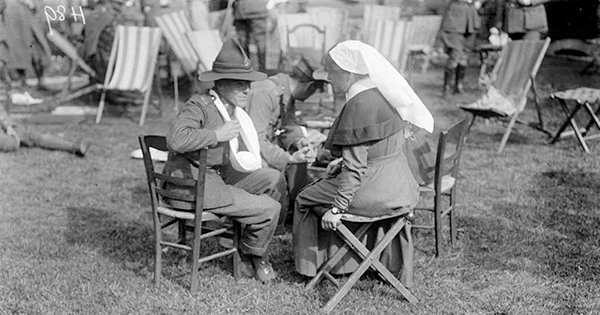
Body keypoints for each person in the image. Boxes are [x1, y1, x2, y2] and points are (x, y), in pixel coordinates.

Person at [293, 40, 434, 286]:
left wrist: (337, 209)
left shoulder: (359, 107)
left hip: (374, 191)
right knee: (331, 181)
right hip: (401, 188)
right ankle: (361, 259)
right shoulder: (384, 94)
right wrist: (342, 160)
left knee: (304, 198)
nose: (329, 80)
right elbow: (376, 150)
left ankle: (317, 265)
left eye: (333, 74)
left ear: (349, 74)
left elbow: (356, 170)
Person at [163, 38, 281, 283]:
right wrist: (217, 135)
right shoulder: (201, 105)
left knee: (272, 178)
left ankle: (244, 245)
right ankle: (251, 255)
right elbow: (176, 139)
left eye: (248, 83)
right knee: (271, 208)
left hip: (211, 178)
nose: (247, 89)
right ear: (221, 83)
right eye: (240, 84)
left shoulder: (231, 109)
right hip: (192, 188)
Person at [245, 57, 321, 224]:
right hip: (242, 154)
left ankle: (294, 211)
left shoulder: (286, 94)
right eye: (315, 90)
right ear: (310, 86)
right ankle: (272, 221)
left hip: (261, 148)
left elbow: (289, 126)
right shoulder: (266, 93)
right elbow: (254, 141)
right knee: (279, 170)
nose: (311, 96)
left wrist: (300, 141)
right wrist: (288, 158)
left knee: (298, 157)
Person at [438, 0, 482, 97]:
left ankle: (458, 86)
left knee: (464, 56)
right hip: (455, 16)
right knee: (455, 54)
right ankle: (447, 88)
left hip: (470, 16)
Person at [232, 0, 270, 72]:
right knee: (259, 42)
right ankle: (262, 71)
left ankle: (248, 70)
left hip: (243, 10)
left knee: (244, 42)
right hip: (254, 10)